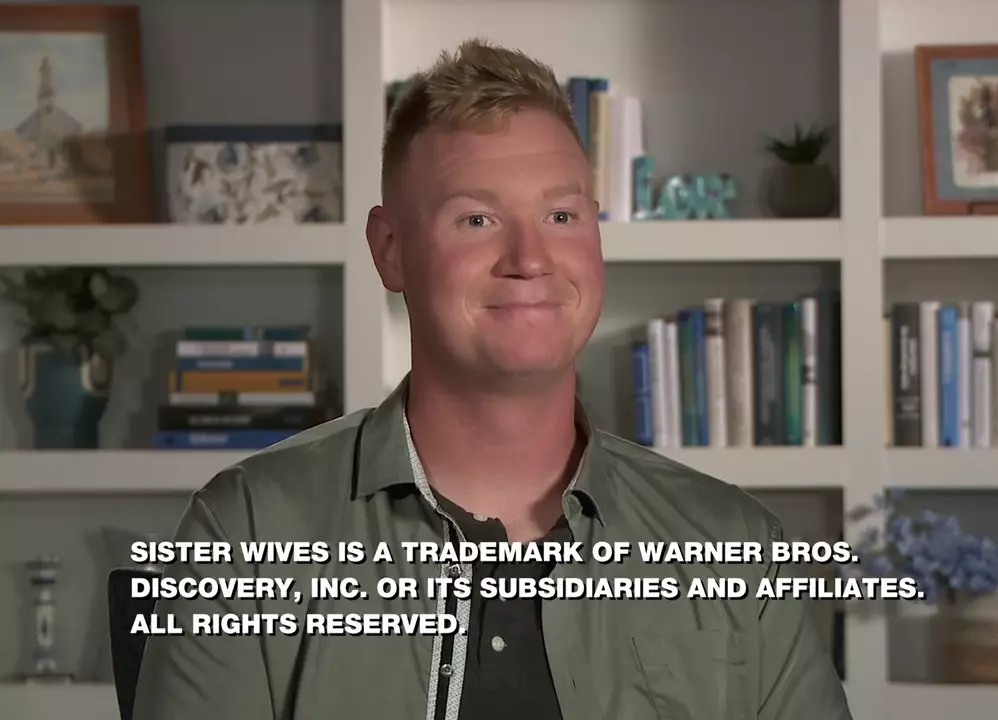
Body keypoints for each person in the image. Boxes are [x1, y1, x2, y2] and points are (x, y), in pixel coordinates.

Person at [133, 39, 851, 720]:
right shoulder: (244, 534)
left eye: (561, 215)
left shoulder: (740, 548)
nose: (530, 258)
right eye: (477, 219)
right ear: (390, 250)